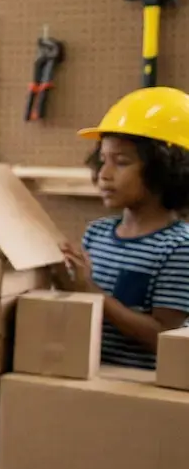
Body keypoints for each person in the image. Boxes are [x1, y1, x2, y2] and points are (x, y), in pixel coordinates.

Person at [57, 87, 189, 368]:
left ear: (165, 170)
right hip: (89, 375)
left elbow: (165, 336)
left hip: (139, 389)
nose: (104, 174)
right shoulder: (96, 234)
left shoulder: (179, 247)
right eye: (103, 160)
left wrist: (91, 293)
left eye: (122, 162)